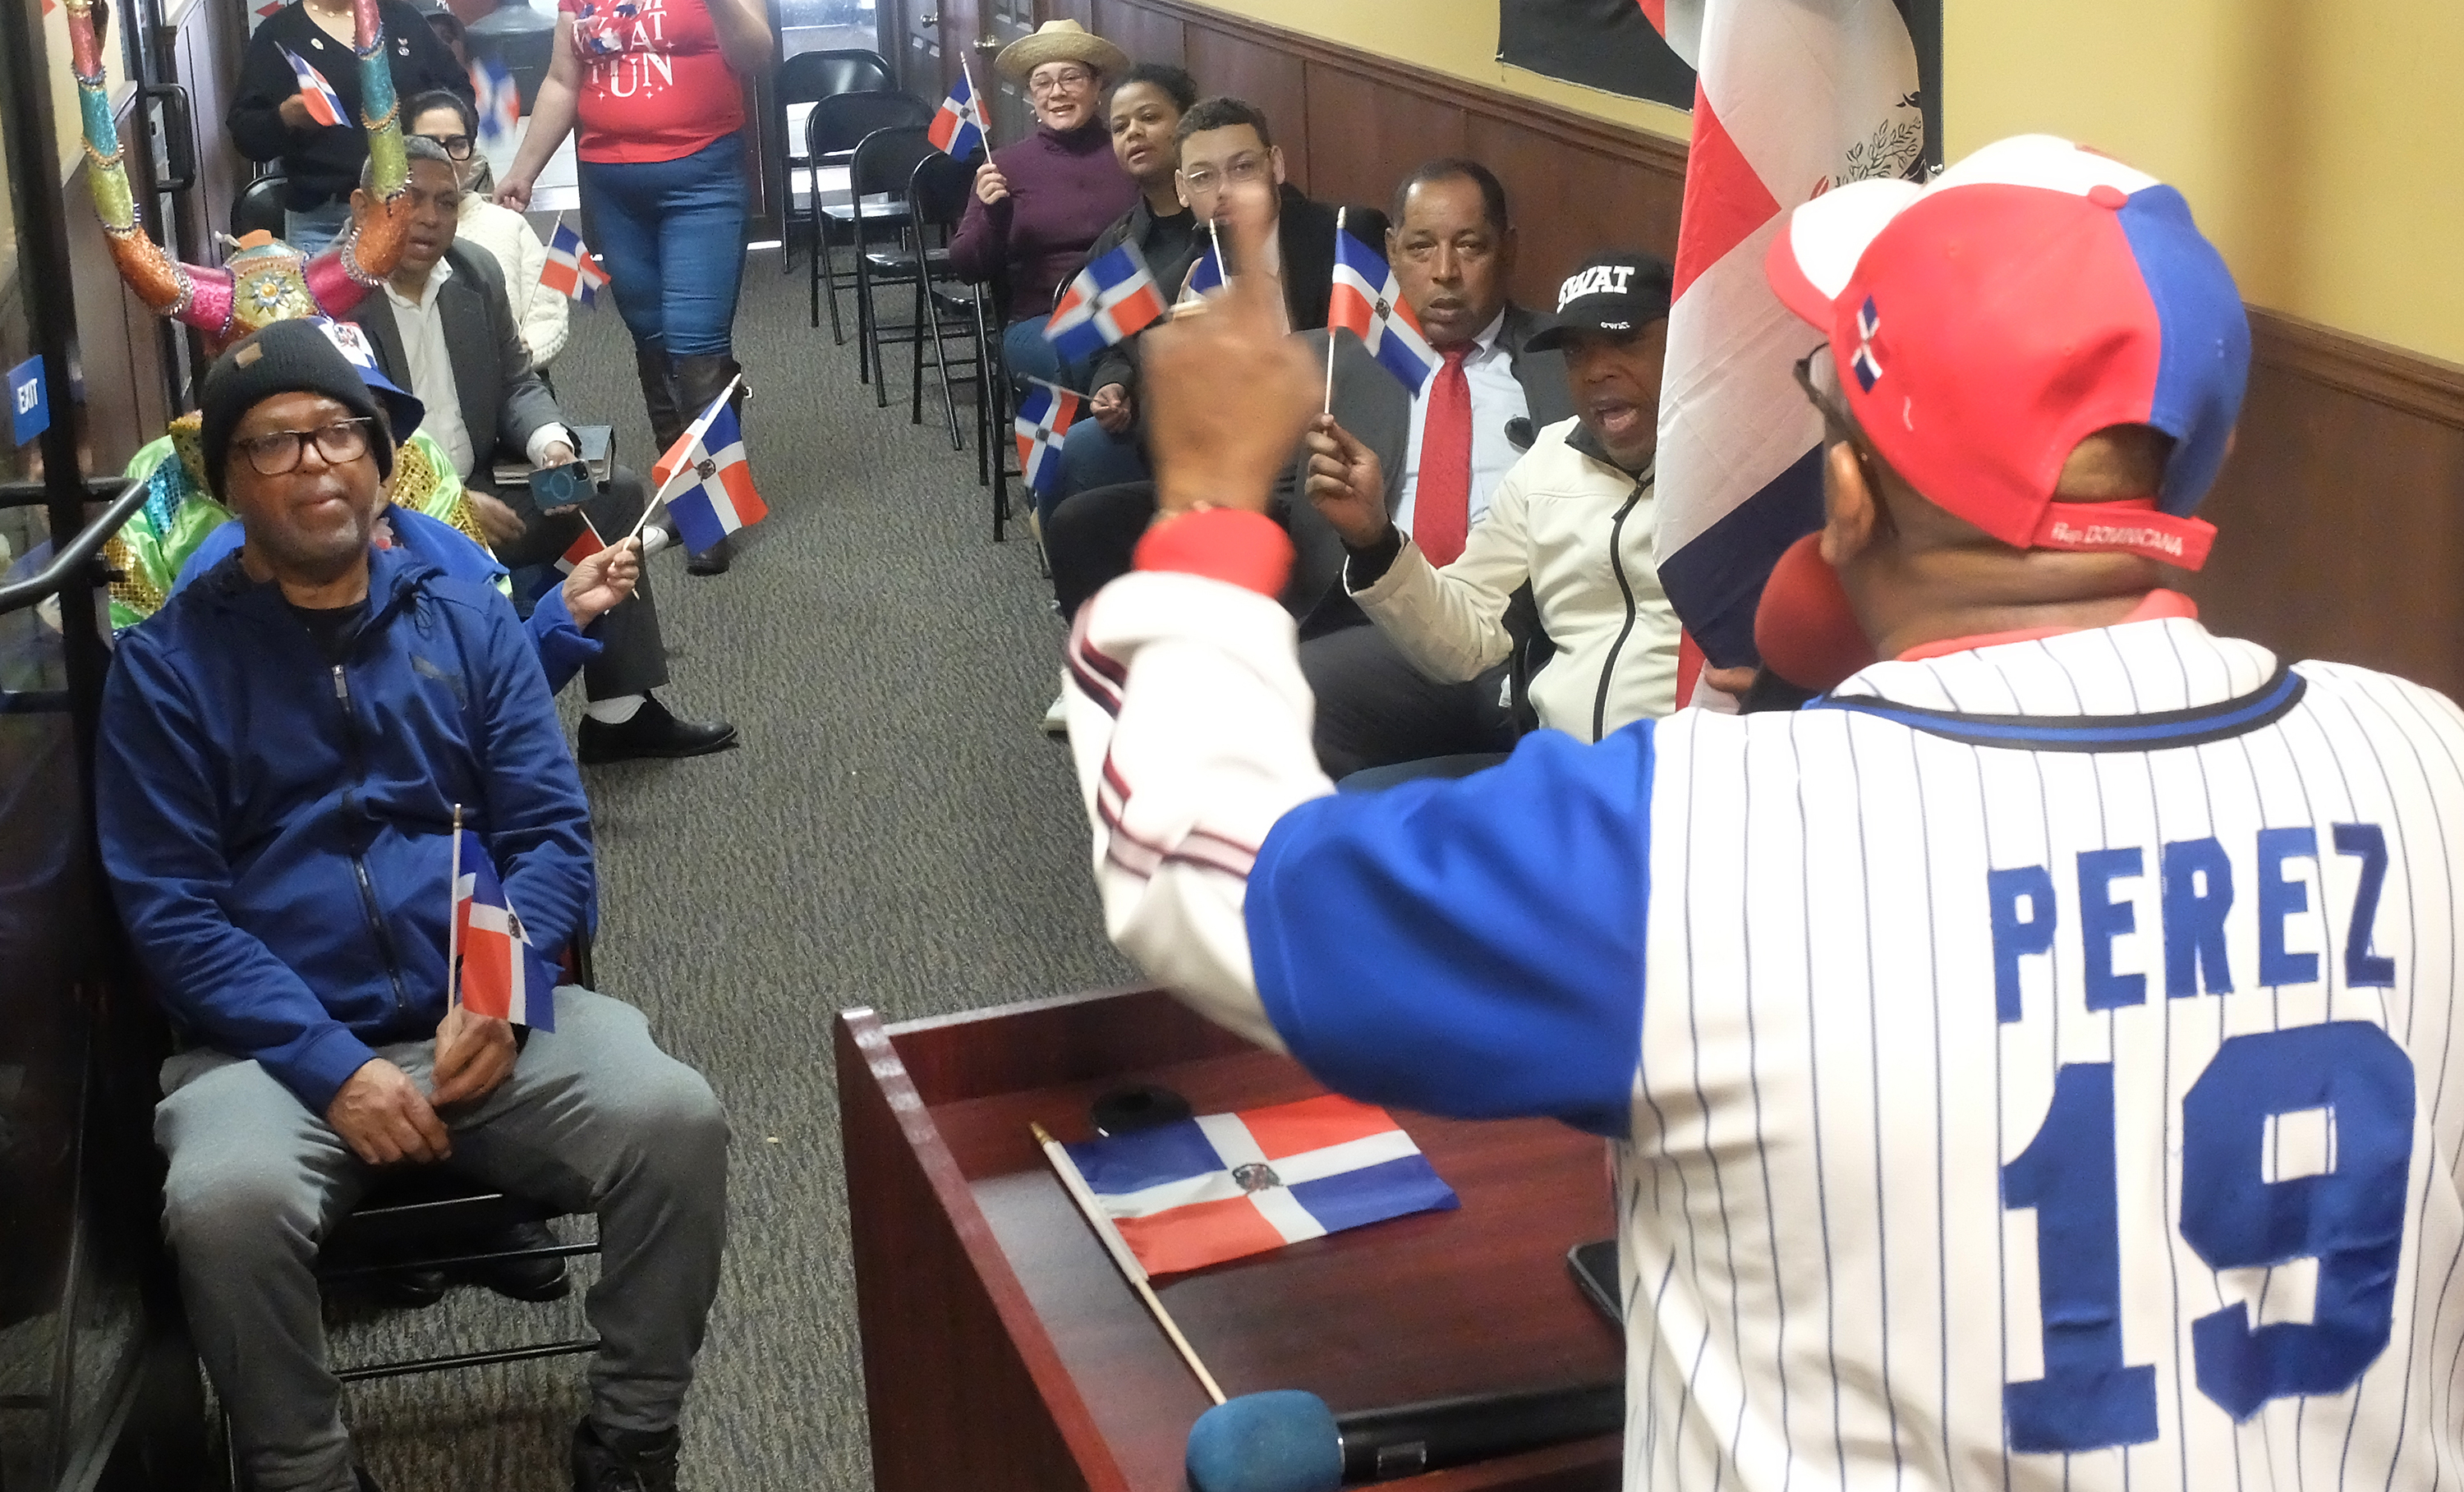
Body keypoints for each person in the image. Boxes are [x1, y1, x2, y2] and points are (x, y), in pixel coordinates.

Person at [1061, 136, 2464, 1489]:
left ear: (1843, 490)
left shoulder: (1700, 841)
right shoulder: (2428, 755)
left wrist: (1200, 516)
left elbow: (1212, 870)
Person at [98, 318, 729, 1492]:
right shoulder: (168, 665)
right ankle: (306, 1473)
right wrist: (332, 1065)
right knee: (225, 1203)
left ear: (381, 464)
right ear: (229, 485)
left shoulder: (467, 613)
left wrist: (495, 994)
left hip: (483, 1016)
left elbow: (545, 833)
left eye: (341, 435)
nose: (316, 463)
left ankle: (632, 1437)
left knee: (673, 1119)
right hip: (275, 1054)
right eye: (275, 445)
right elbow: (174, 912)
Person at [346, 139, 738, 762]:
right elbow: (342, 447)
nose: (428, 217)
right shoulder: (334, 300)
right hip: (386, 515)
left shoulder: (474, 272)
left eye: (446, 202)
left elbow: (516, 384)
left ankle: (619, 715)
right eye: (408, 198)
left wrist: (552, 446)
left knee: (616, 491)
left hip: (484, 480)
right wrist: (448, 502)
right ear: (363, 206)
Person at [1303, 249, 1681, 783]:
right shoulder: (1549, 461)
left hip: (1683, 788)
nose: (1597, 371)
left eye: (1624, 341)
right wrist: (1374, 540)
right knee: (1346, 819)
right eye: (1577, 352)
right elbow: (1465, 638)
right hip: (1557, 780)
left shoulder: (1735, 474)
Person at [493, 0, 770, 576]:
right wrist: (524, 169)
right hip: (613, 189)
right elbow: (562, 81)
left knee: (698, 348)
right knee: (654, 342)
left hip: (704, 179)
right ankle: (686, 491)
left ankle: (708, 516)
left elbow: (755, 55)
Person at [947, 20, 1138, 389]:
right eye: (1043, 82)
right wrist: (993, 214)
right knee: (1089, 360)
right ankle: (1068, 445)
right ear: (1031, 95)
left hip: (1129, 306)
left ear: (1098, 86)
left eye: (1072, 78)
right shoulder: (1003, 165)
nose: (1057, 92)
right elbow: (967, 267)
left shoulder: (1128, 152)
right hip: (1039, 317)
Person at [1046, 61, 1202, 507]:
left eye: (1150, 118)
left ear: (1188, 124)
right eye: (1119, 127)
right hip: (1151, 421)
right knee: (1065, 459)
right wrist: (1111, 387)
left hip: (1232, 415)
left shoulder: (1223, 222)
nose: (1133, 132)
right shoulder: (1116, 246)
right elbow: (1110, 348)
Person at [228, 0, 469, 253]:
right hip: (323, 219)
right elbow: (245, 134)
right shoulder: (279, 32)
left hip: (413, 205)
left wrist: (444, 135)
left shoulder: (404, 20)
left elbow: (460, 92)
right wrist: (285, 118)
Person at [407, 88, 568, 370]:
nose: (444, 157)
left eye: (457, 144)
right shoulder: (387, 230)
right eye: (428, 144)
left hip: (509, 380)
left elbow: (548, 317)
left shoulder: (507, 224)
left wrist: (521, 355)